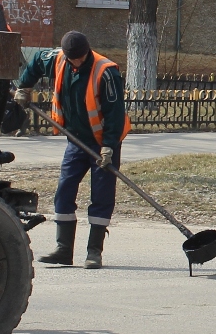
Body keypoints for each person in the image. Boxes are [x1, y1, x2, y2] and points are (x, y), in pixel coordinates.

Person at [13, 31, 130, 269]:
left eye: (79, 58)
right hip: (76, 141)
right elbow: (35, 61)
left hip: (102, 143)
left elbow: (115, 114)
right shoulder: (57, 59)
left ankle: (94, 252)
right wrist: (24, 87)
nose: (75, 62)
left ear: (87, 52)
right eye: (71, 59)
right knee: (64, 191)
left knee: (101, 195)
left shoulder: (106, 72)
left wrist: (109, 147)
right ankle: (64, 250)